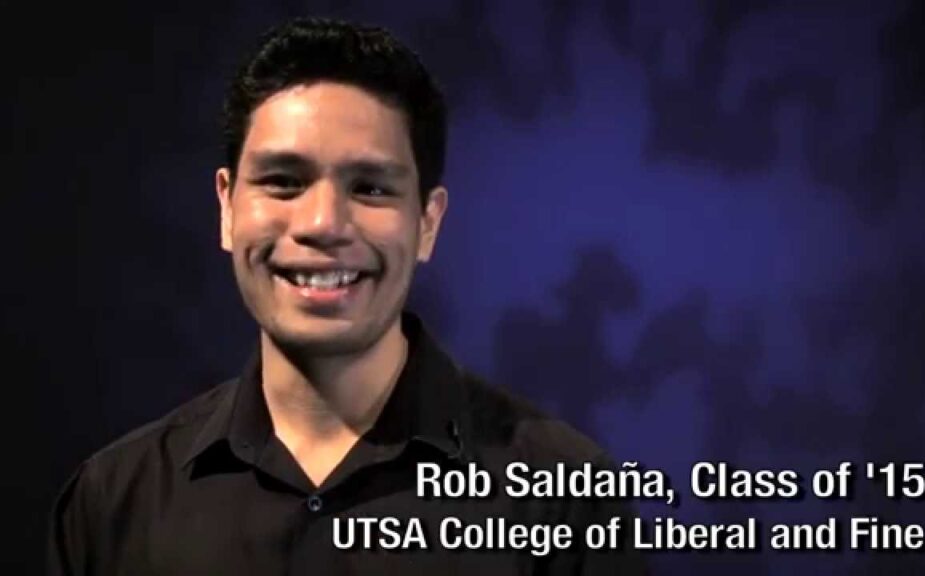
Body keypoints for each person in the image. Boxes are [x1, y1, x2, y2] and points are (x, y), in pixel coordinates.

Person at [46, 17, 647, 575]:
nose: (324, 222)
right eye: (284, 181)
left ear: (428, 223)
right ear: (227, 208)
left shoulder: (565, 500)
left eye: (370, 188)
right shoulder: (112, 502)